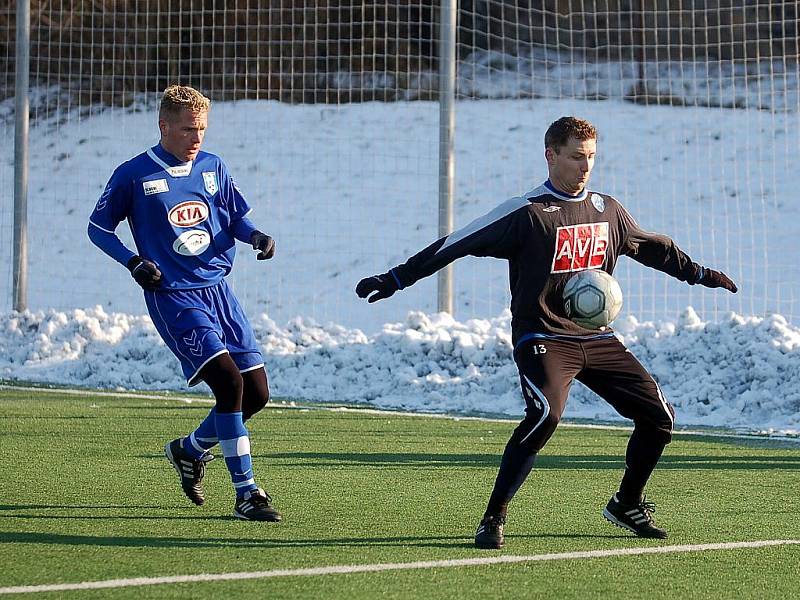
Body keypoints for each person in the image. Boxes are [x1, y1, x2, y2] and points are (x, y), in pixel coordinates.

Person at [356, 116, 737, 549]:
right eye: (576, 157)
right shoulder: (526, 213)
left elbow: (653, 247)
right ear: (551, 155)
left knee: (660, 418)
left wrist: (700, 274)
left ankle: (626, 502)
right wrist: (396, 278)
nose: (585, 167)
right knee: (545, 415)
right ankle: (493, 517)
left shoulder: (606, 210)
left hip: (596, 337)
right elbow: (457, 241)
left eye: (591, 157)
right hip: (542, 338)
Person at [88, 84, 281, 522]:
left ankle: (188, 450)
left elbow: (235, 217)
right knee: (228, 385)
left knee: (256, 394)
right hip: (174, 297)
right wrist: (132, 261)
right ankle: (247, 492)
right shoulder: (133, 174)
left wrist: (257, 237)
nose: (197, 138)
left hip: (220, 292)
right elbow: (98, 228)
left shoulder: (213, 167)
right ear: (164, 127)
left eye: (203, 130)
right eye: (189, 129)